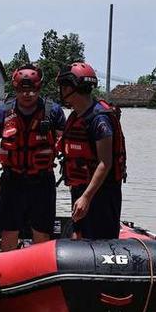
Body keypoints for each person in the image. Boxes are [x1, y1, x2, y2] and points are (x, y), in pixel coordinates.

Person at [0, 64, 66, 251]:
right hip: (12, 180)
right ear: (15, 88)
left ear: (39, 87)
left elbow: (67, 144)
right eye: (22, 90)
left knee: (42, 232)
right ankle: (9, 275)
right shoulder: (2, 113)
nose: (27, 94)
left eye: (32, 90)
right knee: (8, 231)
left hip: (43, 181)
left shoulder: (53, 112)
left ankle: (42, 274)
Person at [56, 62, 126, 239]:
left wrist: (86, 197)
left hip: (101, 193)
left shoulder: (99, 119)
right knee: (79, 235)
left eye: (64, 86)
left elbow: (105, 162)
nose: (62, 91)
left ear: (72, 88)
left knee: (100, 243)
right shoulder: (76, 116)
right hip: (80, 188)